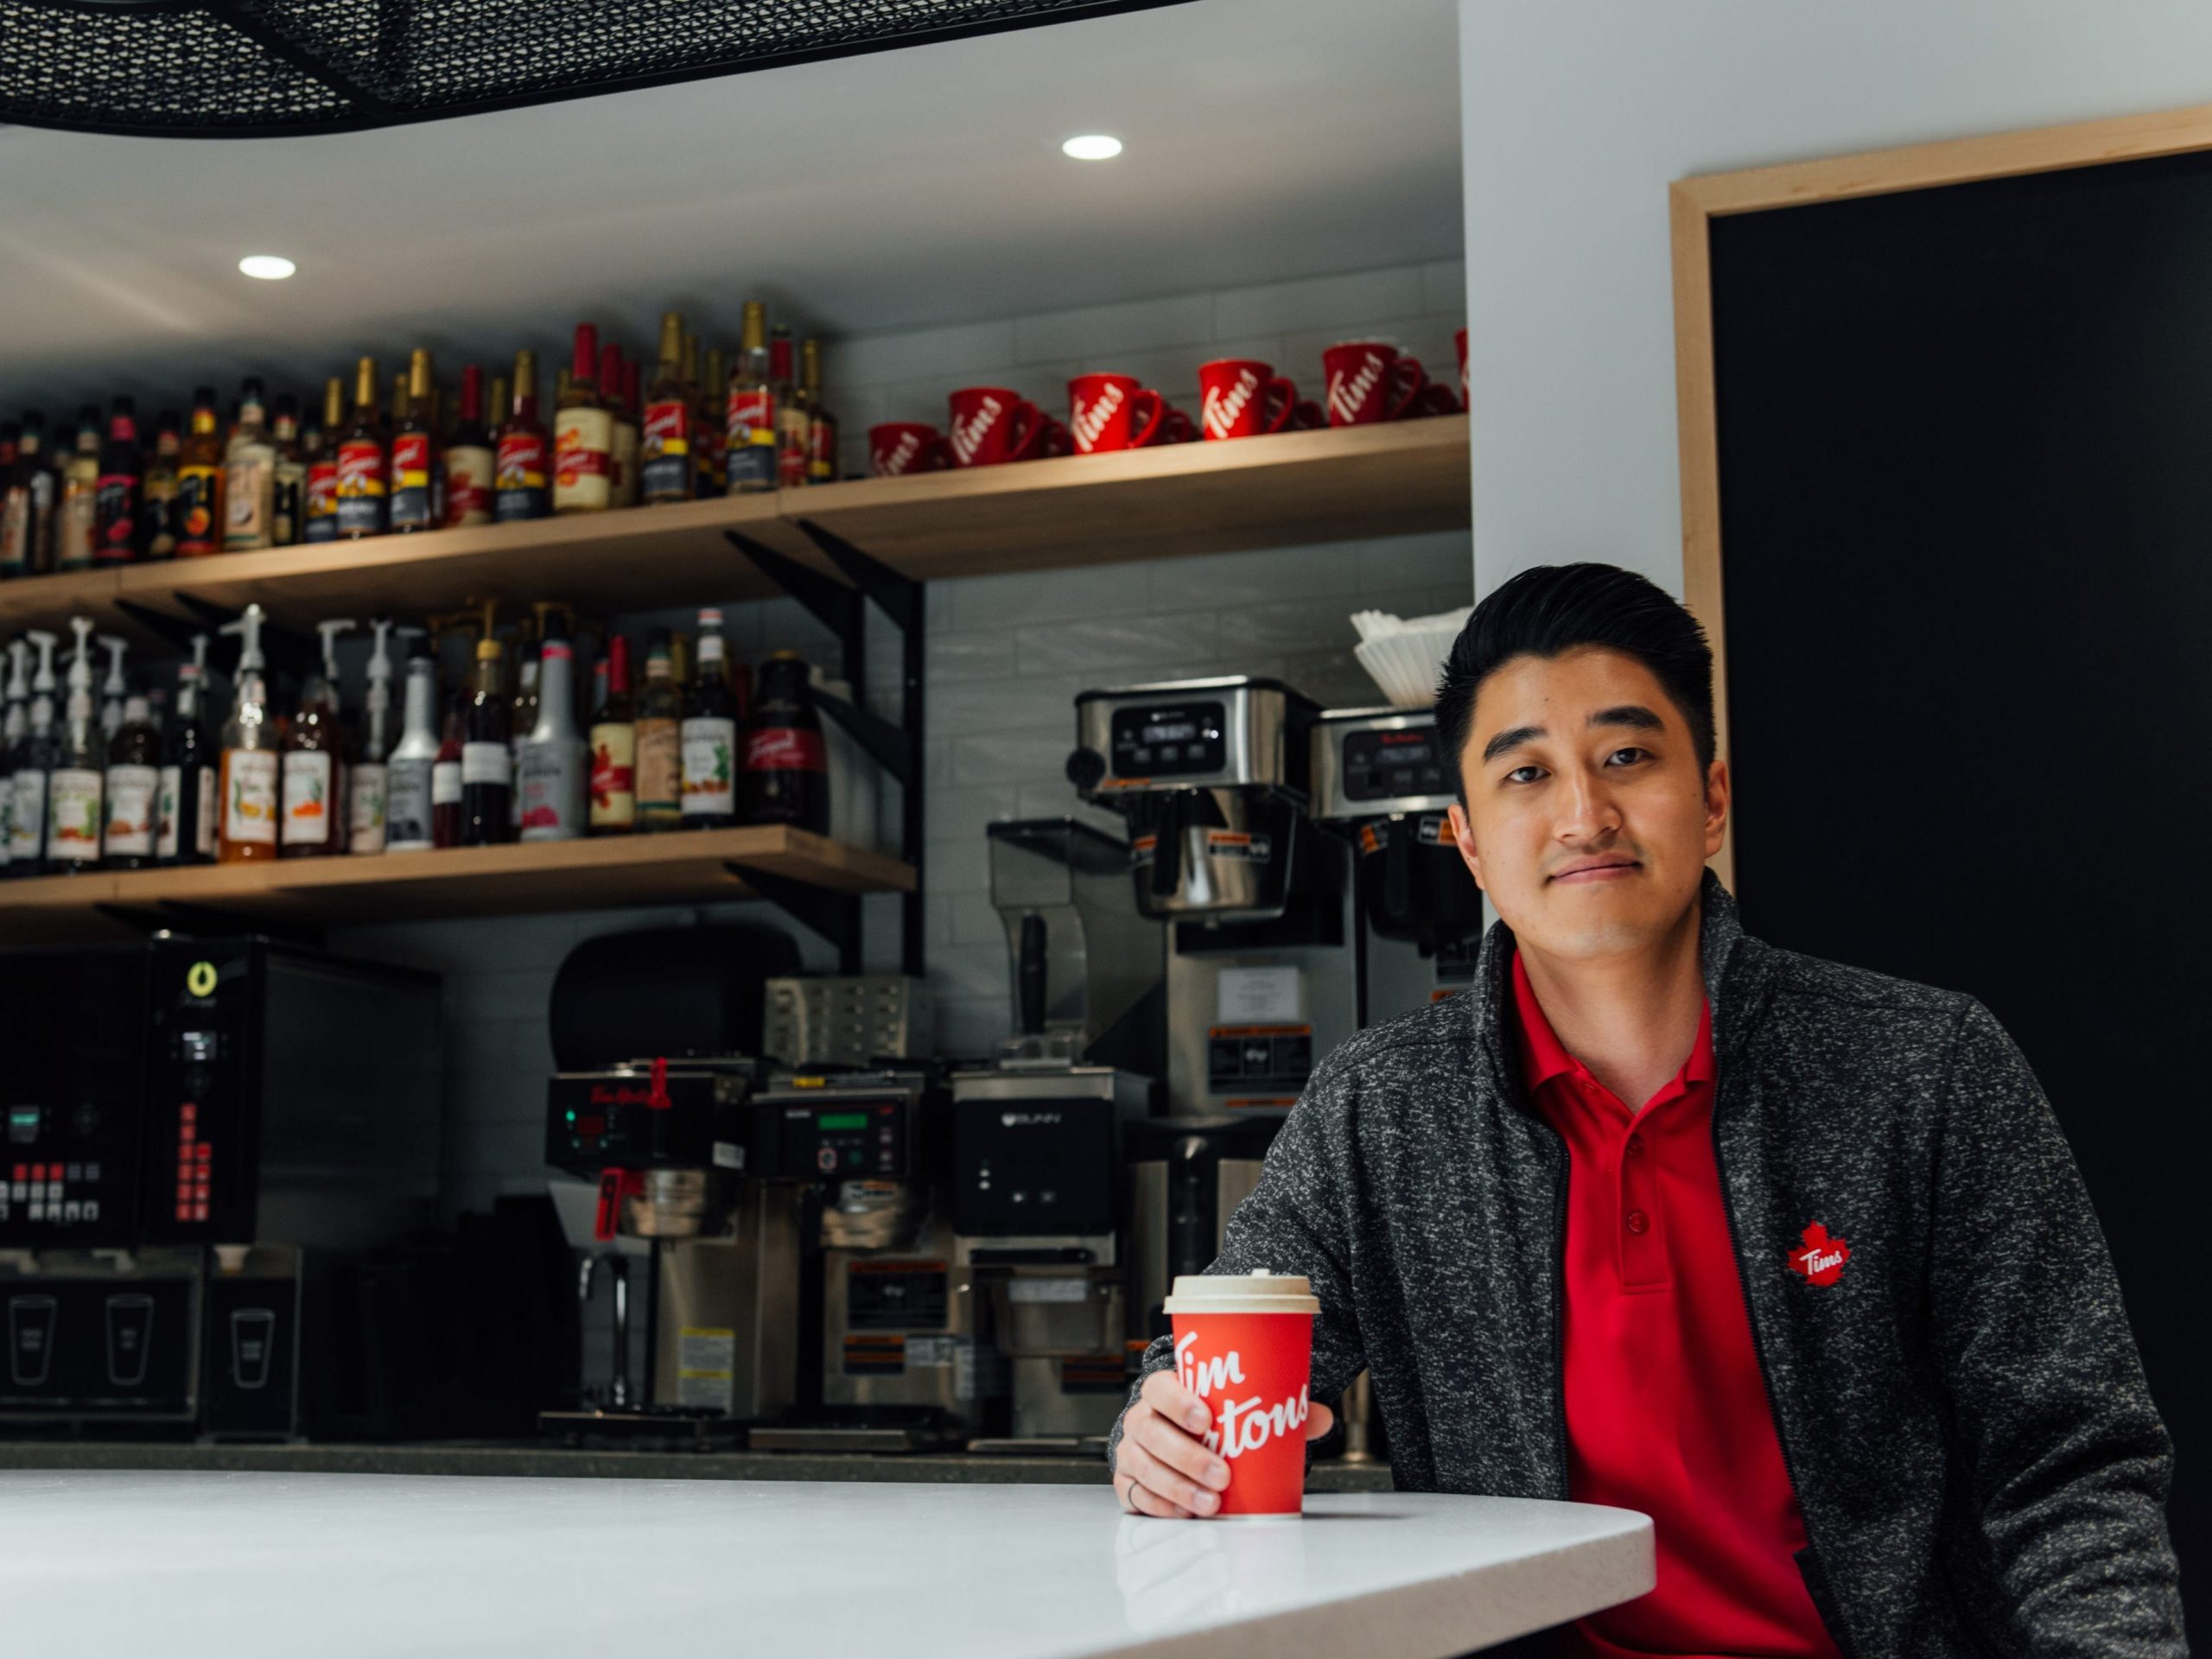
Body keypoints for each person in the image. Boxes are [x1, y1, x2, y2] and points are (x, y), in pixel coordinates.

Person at [1107, 563, 2184, 1657]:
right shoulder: (1379, 1107)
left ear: (1711, 798)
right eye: (1525, 773)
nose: (1585, 814)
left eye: (1626, 756)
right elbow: (1222, 1346)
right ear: (1470, 843)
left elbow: (2067, 1461)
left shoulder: (1925, 1068)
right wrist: (1158, 1427)